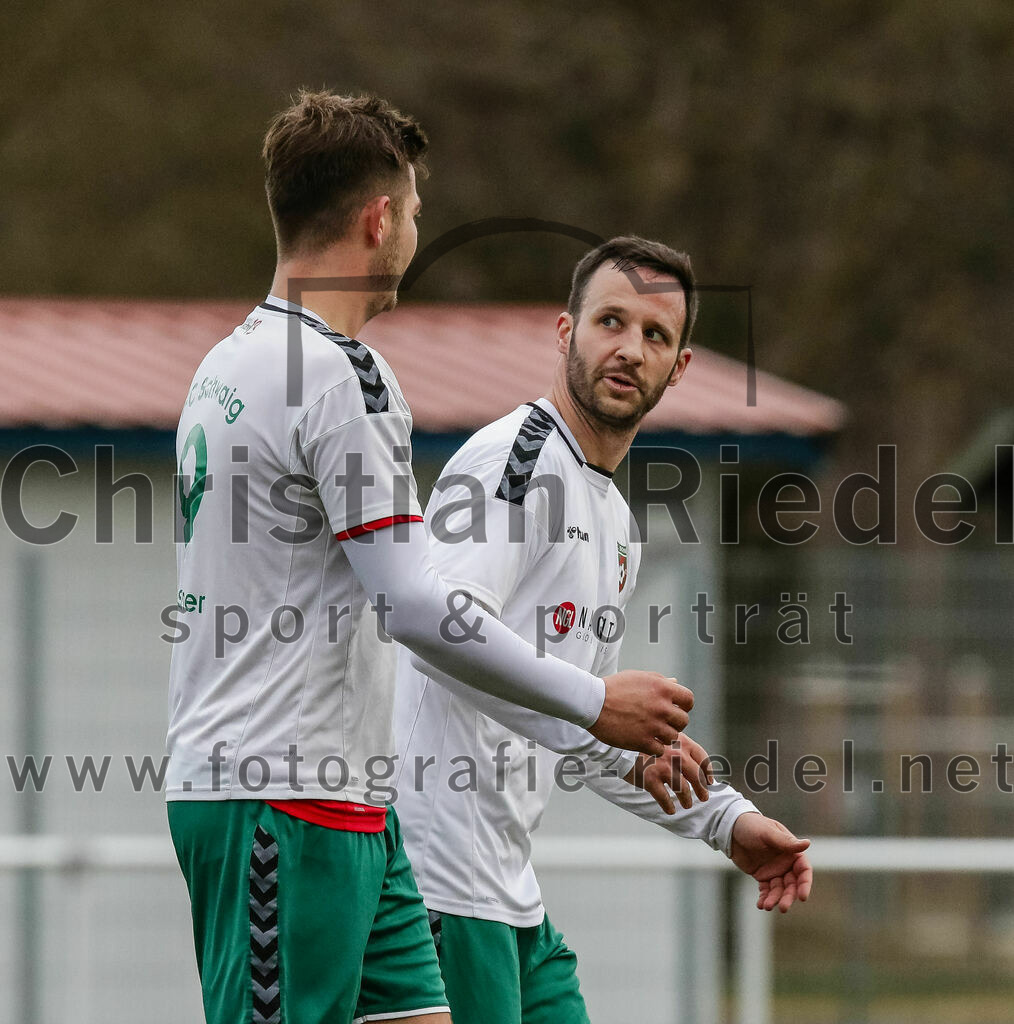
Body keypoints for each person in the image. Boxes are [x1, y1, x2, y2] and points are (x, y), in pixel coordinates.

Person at [166, 93, 699, 1024]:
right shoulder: (339, 374)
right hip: (279, 796)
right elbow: (416, 607)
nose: (417, 228)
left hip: (350, 802)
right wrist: (591, 700)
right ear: (380, 220)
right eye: (413, 211)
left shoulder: (228, 362)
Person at [395, 236, 814, 1024]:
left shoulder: (615, 522)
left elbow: (587, 734)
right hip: (436, 891)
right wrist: (594, 703)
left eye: (655, 336)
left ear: (679, 368)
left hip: (510, 898)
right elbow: (438, 633)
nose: (629, 349)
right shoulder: (513, 465)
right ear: (566, 333)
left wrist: (726, 820)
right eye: (610, 322)